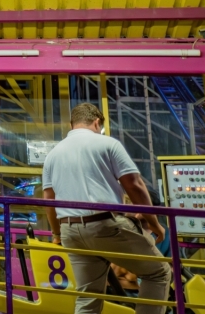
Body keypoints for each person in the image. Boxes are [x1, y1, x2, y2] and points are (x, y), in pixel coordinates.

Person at [42, 103, 171, 314]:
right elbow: (135, 185)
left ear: (72, 125)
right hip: (102, 225)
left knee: (88, 295)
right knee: (159, 272)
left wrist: (57, 234)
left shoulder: (53, 155)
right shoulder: (107, 144)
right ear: (97, 122)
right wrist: (155, 224)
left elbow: (49, 198)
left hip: (70, 231)